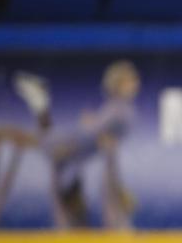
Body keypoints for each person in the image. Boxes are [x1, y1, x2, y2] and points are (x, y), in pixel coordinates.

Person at [13, 60, 140, 229]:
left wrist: (93, 126)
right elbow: (95, 131)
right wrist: (93, 127)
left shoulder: (121, 109)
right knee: (42, 142)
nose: (136, 84)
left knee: (43, 143)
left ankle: (39, 103)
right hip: (76, 145)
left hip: (79, 149)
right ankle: (39, 102)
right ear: (119, 84)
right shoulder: (118, 108)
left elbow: (100, 131)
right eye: (130, 81)